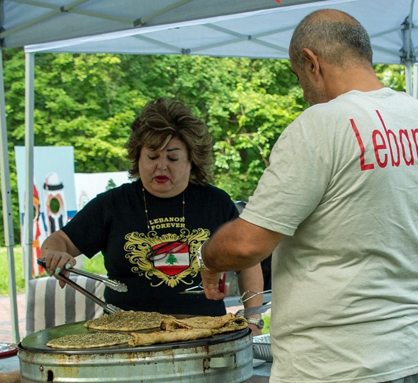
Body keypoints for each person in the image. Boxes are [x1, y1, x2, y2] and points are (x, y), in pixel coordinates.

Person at [197, 9, 418, 383]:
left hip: (332, 370)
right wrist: (396, 254)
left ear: (311, 62)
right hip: (411, 362)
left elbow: (247, 244)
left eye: (299, 77)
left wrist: (208, 257)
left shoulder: (319, 126)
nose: (304, 91)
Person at [41, 98, 264, 334]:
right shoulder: (112, 204)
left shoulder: (216, 203)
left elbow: (248, 262)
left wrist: (253, 318)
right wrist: (54, 255)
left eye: (173, 158)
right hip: (125, 336)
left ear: (192, 160)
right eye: (152, 156)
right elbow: (59, 241)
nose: (161, 166)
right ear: (138, 157)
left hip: (205, 336)